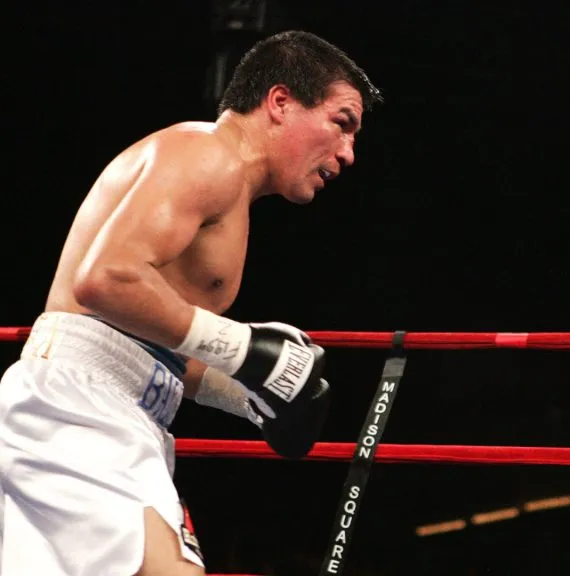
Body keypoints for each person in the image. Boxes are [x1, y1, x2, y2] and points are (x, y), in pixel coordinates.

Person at [0, 30, 382, 576]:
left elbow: (153, 333)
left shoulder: (225, 184)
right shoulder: (209, 155)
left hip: (110, 411)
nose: (347, 153)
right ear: (280, 102)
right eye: (341, 123)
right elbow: (106, 279)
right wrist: (245, 347)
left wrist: (251, 393)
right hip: (80, 410)